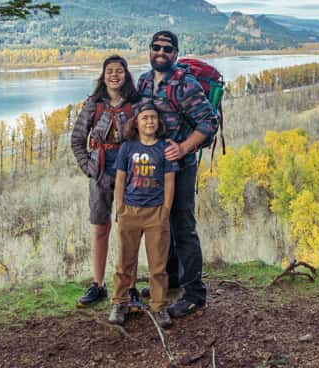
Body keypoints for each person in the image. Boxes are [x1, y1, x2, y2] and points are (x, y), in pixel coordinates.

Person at [136, 30, 218, 318]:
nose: (161, 53)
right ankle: (169, 278)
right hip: (155, 169)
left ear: (175, 53)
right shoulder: (144, 81)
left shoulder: (186, 84)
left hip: (181, 168)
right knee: (162, 224)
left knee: (183, 226)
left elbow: (208, 123)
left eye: (167, 49)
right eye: (156, 47)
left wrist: (183, 148)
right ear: (149, 50)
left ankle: (195, 293)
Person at [70, 54, 140, 307]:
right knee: (101, 228)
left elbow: (147, 136)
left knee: (128, 230)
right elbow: (77, 139)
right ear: (103, 75)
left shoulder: (136, 103)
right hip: (100, 173)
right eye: (109, 70)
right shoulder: (93, 104)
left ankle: (130, 287)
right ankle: (98, 285)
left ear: (126, 75)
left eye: (119, 71)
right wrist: (88, 167)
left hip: (130, 175)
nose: (114, 75)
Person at [108, 101, 178, 328]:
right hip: (130, 211)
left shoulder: (164, 149)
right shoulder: (128, 148)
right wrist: (120, 208)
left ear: (158, 123)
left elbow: (169, 182)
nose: (149, 121)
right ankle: (120, 302)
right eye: (145, 118)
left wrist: (165, 210)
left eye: (153, 118)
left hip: (155, 213)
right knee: (124, 262)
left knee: (158, 265)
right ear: (136, 123)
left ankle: (159, 306)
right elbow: (120, 179)